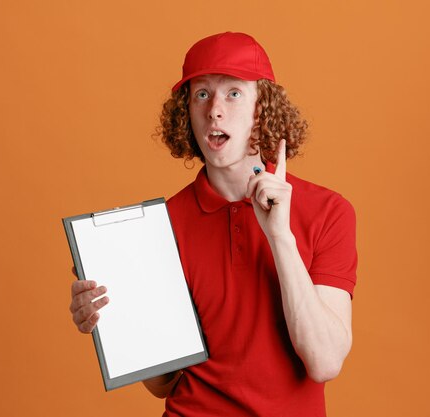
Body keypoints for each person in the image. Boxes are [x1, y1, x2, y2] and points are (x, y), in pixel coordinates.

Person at [69, 32, 357, 417]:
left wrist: (279, 237)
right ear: (186, 111)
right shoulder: (163, 225)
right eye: (201, 94)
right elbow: (163, 384)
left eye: (233, 93)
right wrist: (119, 320)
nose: (215, 110)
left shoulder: (328, 211)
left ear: (263, 107)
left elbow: (324, 362)